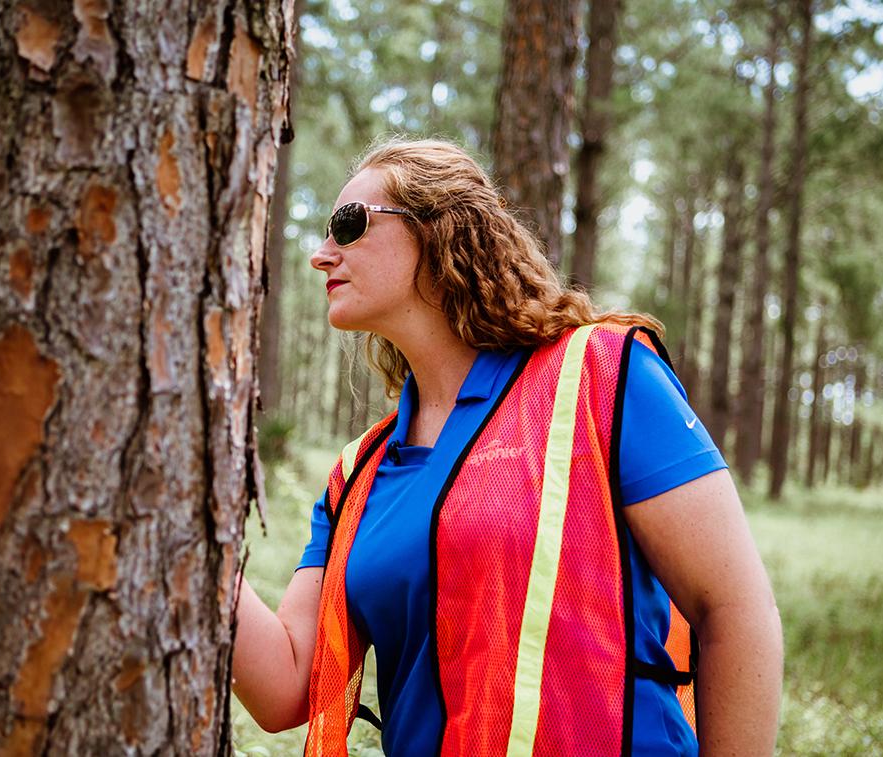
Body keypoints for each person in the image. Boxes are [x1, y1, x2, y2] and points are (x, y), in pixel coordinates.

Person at [232, 137, 782, 756]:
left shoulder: (603, 374)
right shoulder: (357, 475)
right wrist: (191, 526)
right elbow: (283, 689)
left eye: (347, 224)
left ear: (441, 230)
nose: (319, 254)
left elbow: (734, 611)